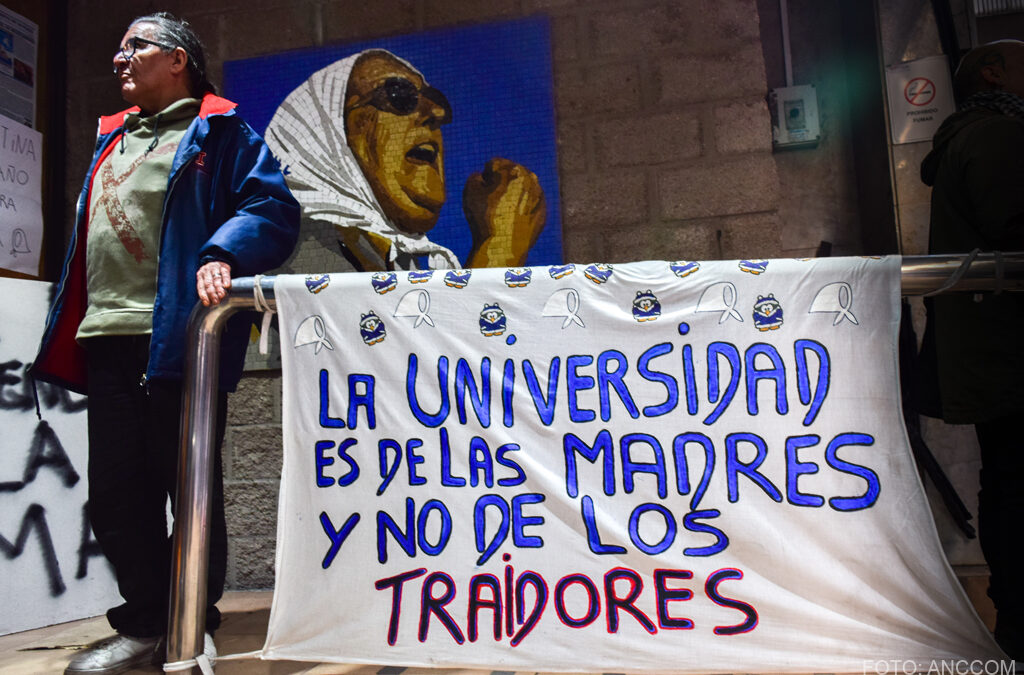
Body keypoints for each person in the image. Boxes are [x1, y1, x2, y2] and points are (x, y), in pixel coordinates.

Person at [29, 12, 299, 674]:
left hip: (180, 338)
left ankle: (189, 625)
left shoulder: (221, 130)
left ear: (177, 60)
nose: (120, 59)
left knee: (191, 492)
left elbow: (269, 208)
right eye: (119, 49)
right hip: (108, 339)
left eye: (135, 47)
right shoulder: (112, 138)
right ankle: (146, 623)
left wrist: (222, 251)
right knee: (117, 495)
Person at [919, 39, 1024, 660]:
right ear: (992, 72)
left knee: (1008, 479)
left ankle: (1013, 619)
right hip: (1008, 347)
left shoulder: (982, 135)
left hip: (994, 349)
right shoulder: (995, 136)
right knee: (1014, 481)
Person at [264, 48, 546, 272]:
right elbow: (426, 347)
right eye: (399, 95)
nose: (437, 112)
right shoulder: (297, 247)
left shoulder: (383, 255)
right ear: (327, 135)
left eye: (435, 99)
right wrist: (500, 246)